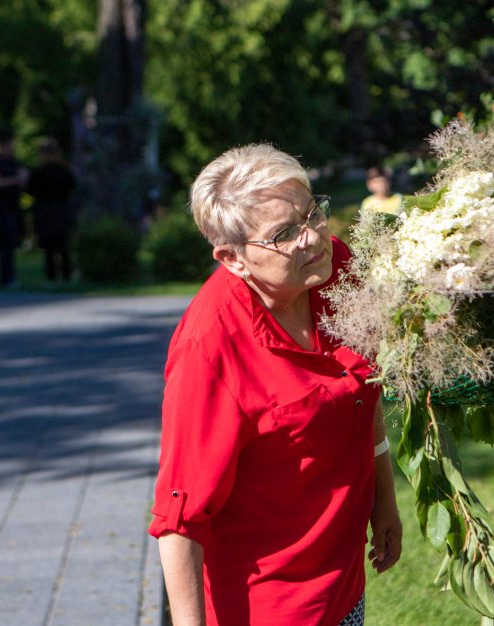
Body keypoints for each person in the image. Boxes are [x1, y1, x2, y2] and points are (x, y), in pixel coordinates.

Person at [149, 144, 402, 626]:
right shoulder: (210, 350)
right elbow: (179, 517)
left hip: (343, 584)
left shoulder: (333, 273)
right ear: (232, 258)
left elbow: (360, 395)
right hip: (270, 607)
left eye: (313, 213)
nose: (313, 238)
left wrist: (383, 500)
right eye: (285, 233)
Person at [28, 138, 78, 282]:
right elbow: (72, 188)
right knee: (63, 244)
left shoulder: (39, 172)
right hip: (61, 209)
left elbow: (31, 190)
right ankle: (66, 274)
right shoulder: (64, 171)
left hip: (46, 210)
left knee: (50, 246)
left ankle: (52, 276)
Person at [0, 129, 28, 288]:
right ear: (3, 145)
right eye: (11, 144)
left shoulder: (14, 162)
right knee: (3, 242)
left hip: (13, 207)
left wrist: (22, 178)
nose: (13, 147)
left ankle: (9, 277)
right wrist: (15, 180)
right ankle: (6, 278)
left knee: (10, 243)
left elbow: (23, 179)